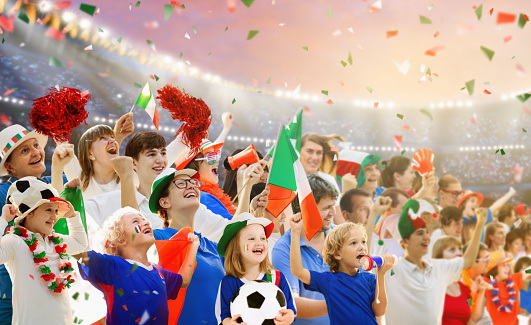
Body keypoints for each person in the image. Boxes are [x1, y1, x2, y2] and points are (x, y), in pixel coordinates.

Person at [150, 167, 263, 325]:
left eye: (192, 182)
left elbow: (239, 243)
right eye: (181, 183)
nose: (191, 186)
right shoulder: (158, 238)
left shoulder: (211, 246)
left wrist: (248, 186)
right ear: (164, 202)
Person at [76, 206, 198, 325]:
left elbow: (184, 281)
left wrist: (193, 248)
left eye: (145, 219)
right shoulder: (112, 267)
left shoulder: (159, 272)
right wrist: (72, 215)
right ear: (121, 239)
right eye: (136, 221)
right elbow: (76, 250)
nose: (146, 223)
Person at [0, 124, 69, 325]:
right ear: (10, 167)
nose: (36, 152)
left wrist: (58, 168)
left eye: (36, 145)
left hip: (55, 298)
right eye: (24, 150)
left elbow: (59, 222)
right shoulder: (3, 194)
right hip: (11, 301)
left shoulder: (58, 179)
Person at [0, 177, 87, 325]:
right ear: (29, 213)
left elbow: (80, 243)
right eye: (48, 210)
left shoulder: (56, 241)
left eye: (56, 210)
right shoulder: (15, 241)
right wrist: (3, 219)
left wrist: (72, 216)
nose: (54, 217)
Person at [384, 200, 488, 325]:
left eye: (426, 233)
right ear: (405, 242)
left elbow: (468, 260)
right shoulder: (392, 270)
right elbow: (362, 263)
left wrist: (480, 223)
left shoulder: (439, 268)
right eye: (420, 233)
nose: (426, 237)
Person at [290, 215, 394, 325]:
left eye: (363, 242)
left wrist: (381, 275)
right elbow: (298, 271)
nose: (362, 247)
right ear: (337, 254)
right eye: (353, 243)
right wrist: (295, 232)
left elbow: (380, 311)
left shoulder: (371, 279)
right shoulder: (329, 280)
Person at [271, 174, 339, 325]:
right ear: (308, 210)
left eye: (333, 206)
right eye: (327, 207)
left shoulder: (342, 236)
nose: (333, 213)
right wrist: (339, 300)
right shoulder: (283, 249)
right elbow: (292, 304)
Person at [215, 213, 296, 325]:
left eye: (263, 238)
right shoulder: (229, 282)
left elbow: (291, 310)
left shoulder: (277, 278)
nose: (259, 243)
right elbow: (223, 318)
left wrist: (289, 317)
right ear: (236, 248)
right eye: (251, 238)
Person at [61, 114, 134, 199]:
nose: (113, 140)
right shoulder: (81, 179)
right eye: (102, 138)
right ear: (90, 154)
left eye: (112, 137)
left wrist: (118, 135)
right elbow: (60, 138)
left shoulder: (129, 178)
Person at [432, 236, 488, 324]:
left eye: (459, 249)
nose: (459, 253)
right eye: (452, 250)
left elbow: (472, 318)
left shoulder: (465, 290)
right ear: (439, 258)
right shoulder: (430, 286)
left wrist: (482, 292)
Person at [299, 133, 345, 224]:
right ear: (298, 152)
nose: (315, 157)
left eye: (319, 153)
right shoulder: (289, 180)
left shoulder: (329, 180)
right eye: (309, 151)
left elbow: (339, 222)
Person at [484, 251, 529, 325]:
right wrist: (469, 306)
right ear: (494, 268)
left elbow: (527, 272)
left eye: (508, 265)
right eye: (504, 265)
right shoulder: (486, 283)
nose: (508, 268)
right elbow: (469, 296)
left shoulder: (513, 279)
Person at [461, 242, 493, 325]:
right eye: (486, 259)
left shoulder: (480, 279)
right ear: (473, 261)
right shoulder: (461, 283)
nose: (488, 261)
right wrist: (481, 292)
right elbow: (474, 317)